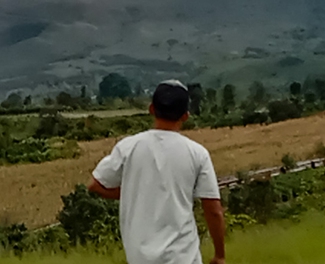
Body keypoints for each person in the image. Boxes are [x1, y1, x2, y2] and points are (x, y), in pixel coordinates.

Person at [89, 80, 226, 264]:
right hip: (183, 257)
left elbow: (95, 184)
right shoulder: (197, 153)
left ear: (151, 109)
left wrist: (133, 192)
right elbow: (213, 210)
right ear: (185, 116)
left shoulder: (128, 147)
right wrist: (219, 255)